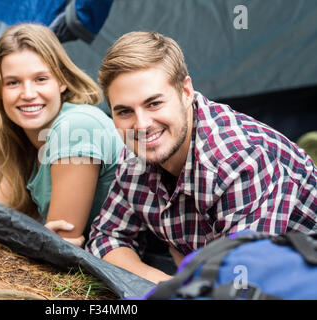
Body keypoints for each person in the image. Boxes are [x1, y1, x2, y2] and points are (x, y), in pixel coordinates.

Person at [85, 31, 317, 283]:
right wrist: (163, 285)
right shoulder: (136, 156)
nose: (141, 125)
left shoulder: (239, 160)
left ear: (186, 91)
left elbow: (239, 281)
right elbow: (106, 238)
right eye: (124, 111)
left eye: (154, 104)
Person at [0, 23, 124, 246]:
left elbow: (63, 245)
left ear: (61, 80)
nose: (28, 94)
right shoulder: (26, 142)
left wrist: (39, 239)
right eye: (13, 83)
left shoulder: (76, 127)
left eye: (41, 79)